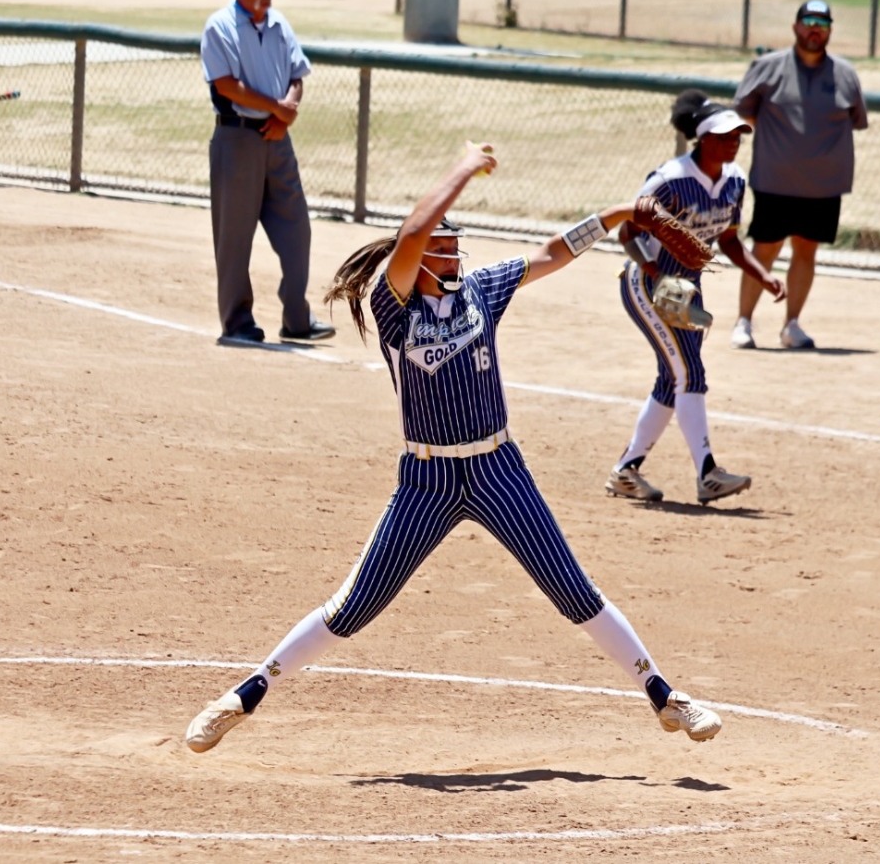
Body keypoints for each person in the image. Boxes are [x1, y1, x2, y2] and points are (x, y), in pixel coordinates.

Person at [185, 142, 724, 753]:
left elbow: (552, 252)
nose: (453, 252)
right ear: (413, 258)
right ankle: (244, 694)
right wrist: (464, 169)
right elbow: (414, 229)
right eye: (442, 245)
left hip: (498, 470)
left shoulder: (482, 291)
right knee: (354, 606)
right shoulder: (394, 307)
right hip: (426, 483)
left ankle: (664, 696)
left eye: (454, 244)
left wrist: (617, 214)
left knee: (573, 588)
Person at [606, 91, 785, 505]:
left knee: (674, 379)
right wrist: (656, 276)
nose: (734, 141)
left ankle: (626, 471)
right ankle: (708, 473)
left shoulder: (735, 181)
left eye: (738, 135)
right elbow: (628, 234)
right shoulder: (670, 180)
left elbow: (729, 240)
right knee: (690, 374)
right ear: (702, 138)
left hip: (688, 287)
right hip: (647, 282)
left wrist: (764, 275)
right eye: (724, 135)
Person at [201, 0, 334, 345]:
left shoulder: (280, 25)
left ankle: (297, 319)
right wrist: (276, 108)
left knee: (298, 229)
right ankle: (237, 322)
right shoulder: (219, 27)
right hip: (237, 139)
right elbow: (226, 86)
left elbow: (297, 74)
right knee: (234, 238)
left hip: (278, 140)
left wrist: (286, 114)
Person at [732, 0, 868, 350]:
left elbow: (856, 118)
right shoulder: (768, 67)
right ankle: (743, 322)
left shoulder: (845, 74)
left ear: (829, 31)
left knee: (806, 251)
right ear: (795, 27)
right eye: (808, 21)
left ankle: (792, 325)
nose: (814, 29)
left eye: (822, 24)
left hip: (823, 187)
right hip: (774, 181)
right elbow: (745, 112)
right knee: (764, 249)